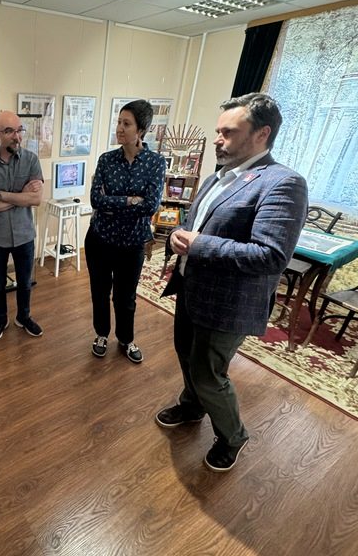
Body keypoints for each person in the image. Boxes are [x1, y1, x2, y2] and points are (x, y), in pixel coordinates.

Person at [155, 93, 308, 472]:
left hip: (227, 303)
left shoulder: (283, 183)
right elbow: (196, 226)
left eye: (228, 132)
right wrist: (178, 236)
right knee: (187, 357)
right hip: (191, 289)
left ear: (262, 134)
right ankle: (191, 406)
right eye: (217, 131)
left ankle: (232, 436)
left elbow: (270, 255)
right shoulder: (217, 177)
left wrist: (198, 244)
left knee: (209, 375)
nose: (217, 139)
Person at [85, 99, 165, 364]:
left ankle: (126, 339)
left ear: (141, 130)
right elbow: (96, 200)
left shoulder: (155, 163)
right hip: (100, 239)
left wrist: (114, 202)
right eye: (119, 122)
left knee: (125, 297)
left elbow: (150, 206)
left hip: (132, 243)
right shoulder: (106, 160)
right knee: (100, 292)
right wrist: (131, 200)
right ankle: (101, 334)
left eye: (126, 123)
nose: (119, 128)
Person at [0, 110, 44, 342]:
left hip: (24, 235)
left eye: (19, 130)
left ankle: (23, 317)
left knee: (25, 283)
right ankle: (1, 320)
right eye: (9, 131)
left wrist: (0, 195)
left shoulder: (31, 160)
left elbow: (36, 199)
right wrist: (19, 196)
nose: (16, 136)